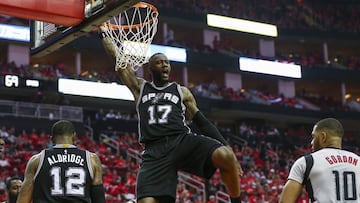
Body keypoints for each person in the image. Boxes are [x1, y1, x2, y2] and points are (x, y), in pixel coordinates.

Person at [101, 29, 243, 203]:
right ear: (151, 68)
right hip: (154, 150)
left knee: (225, 156)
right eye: (160, 62)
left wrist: (229, 149)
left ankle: (237, 201)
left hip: (181, 141)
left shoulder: (181, 91)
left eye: (166, 62)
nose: (165, 65)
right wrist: (103, 33)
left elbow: (202, 123)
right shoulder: (140, 88)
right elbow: (119, 61)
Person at [16, 120, 106, 203]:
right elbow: (99, 199)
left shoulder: (36, 160)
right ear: (74, 137)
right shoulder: (92, 159)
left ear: (51, 139)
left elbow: (23, 200)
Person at [279, 118, 360, 203]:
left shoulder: (307, 161)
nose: (311, 142)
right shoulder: (358, 161)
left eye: (314, 137)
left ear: (323, 136)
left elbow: (285, 201)